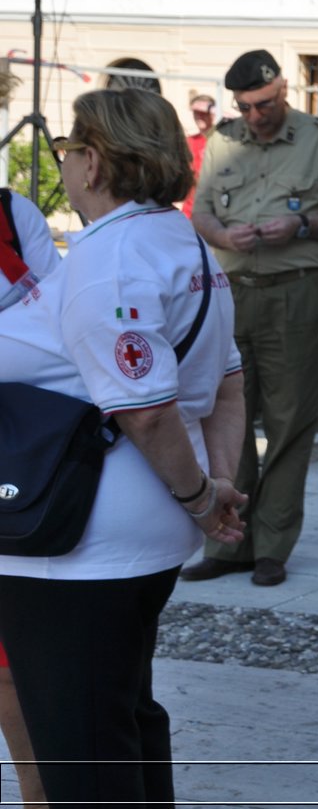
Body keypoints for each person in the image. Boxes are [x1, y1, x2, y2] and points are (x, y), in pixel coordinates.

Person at [0, 87, 246, 806]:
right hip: (133, 525)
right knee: (124, 721)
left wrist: (204, 501)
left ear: (97, 162)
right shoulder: (179, 240)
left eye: (69, 150)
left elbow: (145, 411)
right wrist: (217, 480)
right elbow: (228, 381)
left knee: (83, 748)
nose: (66, 164)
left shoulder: (110, 258)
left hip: (83, 539)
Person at [183, 50, 318, 588]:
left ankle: (273, 544)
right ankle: (228, 542)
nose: (255, 116)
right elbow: (201, 214)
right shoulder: (223, 140)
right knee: (226, 420)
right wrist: (222, 236)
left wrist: (305, 228)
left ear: (283, 89)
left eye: (263, 104)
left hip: (295, 293)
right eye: (244, 106)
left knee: (290, 422)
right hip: (230, 292)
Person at [0, 187, 57, 807]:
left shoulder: (13, 213)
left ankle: (36, 795)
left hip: (9, 441)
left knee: (9, 660)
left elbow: (57, 313)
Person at [181, 94, 217, 218]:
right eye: (196, 112)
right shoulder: (188, 141)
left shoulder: (220, 141)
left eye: (203, 112)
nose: (199, 116)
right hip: (190, 210)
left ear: (213, 114)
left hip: (214, 212)